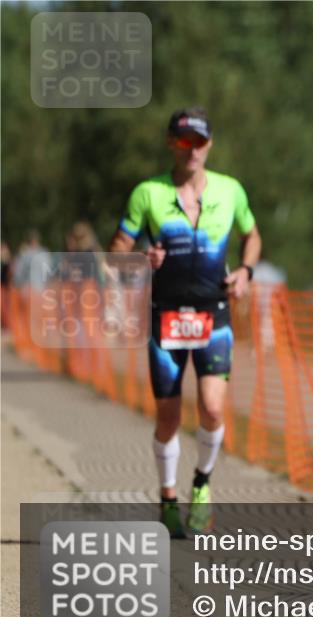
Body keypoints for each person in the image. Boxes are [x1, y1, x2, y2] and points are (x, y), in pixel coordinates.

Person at [109, 107, 262, 538]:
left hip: (214, 313)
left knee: (212, 407)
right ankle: (168, 496)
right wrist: (140, 257)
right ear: (170, 143)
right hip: (166, 316)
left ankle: (201, 484)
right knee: (168, 417)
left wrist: (246, 272)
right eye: (182, 141)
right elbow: (117, 248)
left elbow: (252, 234)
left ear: (209, 145)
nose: (190, 149)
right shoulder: (148, 192)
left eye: (198, 141)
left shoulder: (231, 190)